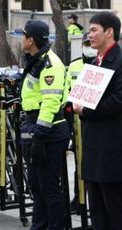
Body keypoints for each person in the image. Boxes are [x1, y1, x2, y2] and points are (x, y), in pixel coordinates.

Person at [18, 20, 70, 229]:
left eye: (23, 36)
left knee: (49, 187)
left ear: (31, 40)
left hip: (49, 129)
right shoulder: (35, 61)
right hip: (35, 125)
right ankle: (39, 225)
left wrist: (39, 136)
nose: (21, 39)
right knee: (36, 185)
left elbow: (50, 102)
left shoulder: (50, 64)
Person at [73, 12, 122, 229]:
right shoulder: (94, 62)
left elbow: (118, 99)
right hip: (93, 146)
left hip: (113, 149)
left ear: (109, 32)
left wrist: (87, 109)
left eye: (94, 30)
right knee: (98, 212)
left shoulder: (119, 61)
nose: (89, 35)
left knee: (115, 211)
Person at [65, 32, 97, 213]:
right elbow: (68, 93)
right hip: (77, 121)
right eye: (86, 43)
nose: (88, 47)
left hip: (95, 118)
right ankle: (79, 198)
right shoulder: (74, 65)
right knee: (80, 163)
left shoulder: (102, 63)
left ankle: (95, 200)